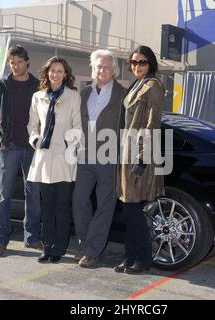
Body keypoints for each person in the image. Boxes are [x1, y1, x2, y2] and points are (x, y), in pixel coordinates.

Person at [72, 50, 126, 268]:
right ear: (92, 69)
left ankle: (93, 251)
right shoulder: (84, 93)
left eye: (105, 67)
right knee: (79, 200)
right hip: (85, 154)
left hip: (109, 156)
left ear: (113, 70)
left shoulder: (123, 94)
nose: (101, 70)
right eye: (98, 67)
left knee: (105, 205)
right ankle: (85, 244)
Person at [114, 46, 165, 274]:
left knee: (135, 212)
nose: (137, 66)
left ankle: (142, 258)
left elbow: (152, 125)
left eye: (142, 62)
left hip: (139, 155)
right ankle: (130, 255)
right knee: (129, 211)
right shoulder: (137, 84)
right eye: (133, 62)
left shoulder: (153, 86)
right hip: (127, 151)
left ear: (151, 63)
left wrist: (142, 158)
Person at [27, 56, 81, 263]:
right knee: (46, 207)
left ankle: (58, 249)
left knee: (61, 208)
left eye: (59, 71)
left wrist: (68, 144)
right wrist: (35, 139)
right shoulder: (38, 97)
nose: (55, 74)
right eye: (52, 71)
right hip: (43, 157)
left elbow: (78, 126)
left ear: (65, 74)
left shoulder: (73, 97)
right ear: (47, 73)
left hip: (64, 158)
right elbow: (32, 125)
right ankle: (47, 247)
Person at [0, 45, 41, 257]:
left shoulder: (39, 86)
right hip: (8, 146)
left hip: (32, 146)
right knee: (4, 194)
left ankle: (32, 238)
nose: (16, 66)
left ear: (27, 62)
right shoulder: (0, 85)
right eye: (12, 62)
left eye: (19, 62)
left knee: (34, 194)